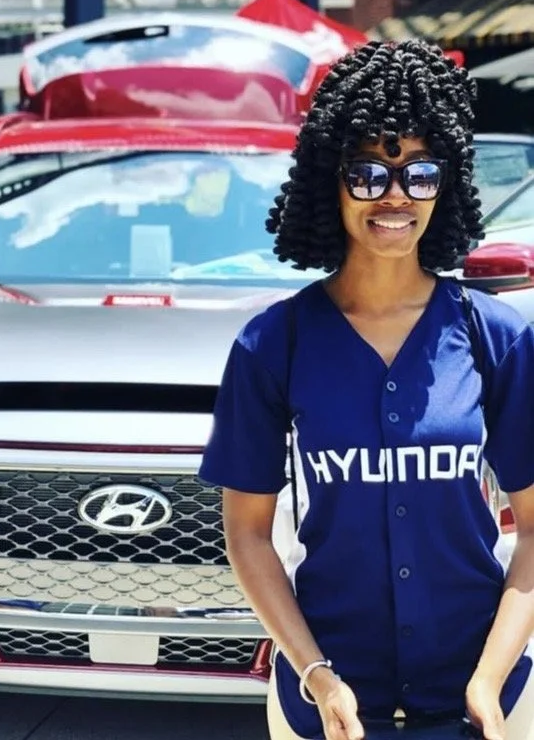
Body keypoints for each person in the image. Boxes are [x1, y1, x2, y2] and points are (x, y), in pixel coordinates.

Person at [198, 40, 534, 740]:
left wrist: (490, 679)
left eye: (419, 173)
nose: (394, 195)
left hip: (483, 705)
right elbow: (249, 537)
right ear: (332, 180)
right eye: (369, 172)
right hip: (327, 703)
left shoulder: (496, 339)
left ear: (446, 185)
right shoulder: (273, 345)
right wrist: (316, 674)